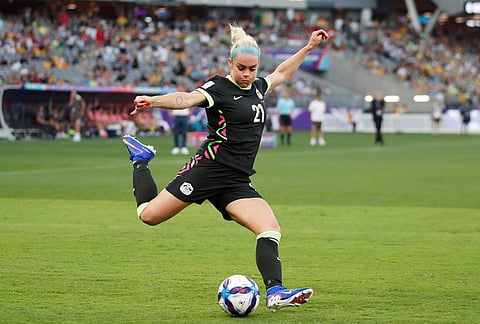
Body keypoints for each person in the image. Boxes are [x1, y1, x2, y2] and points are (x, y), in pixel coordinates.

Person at [121, 24, 329, 312]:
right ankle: (141, 159)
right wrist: (153, 101)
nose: (246, 74)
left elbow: (281, 73)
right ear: (230, 64)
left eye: (252, 69)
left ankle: (276, 291)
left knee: (269, 229)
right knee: (148, 215)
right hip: (208, 170)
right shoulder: (218, 87)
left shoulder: (258, 87)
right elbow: (186, 99)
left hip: (236, 180)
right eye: (241, 68)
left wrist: (308, 47)